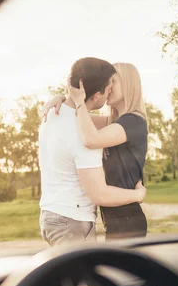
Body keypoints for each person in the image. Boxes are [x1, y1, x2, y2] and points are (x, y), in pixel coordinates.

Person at [38, 57, 146, 246]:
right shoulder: (110, 123)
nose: (110, 87)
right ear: (97, 94)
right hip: (99, 217)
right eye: (108, 83)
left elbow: (90, 138)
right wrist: (63, 99)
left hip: (126, 217)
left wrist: (76, 102)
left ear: (128, 85)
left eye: (114, 81)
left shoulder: (133, 122)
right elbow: (76, 119)